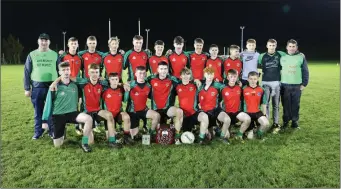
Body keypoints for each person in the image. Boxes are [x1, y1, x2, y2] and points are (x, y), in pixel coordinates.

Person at [51, 63, 123, 148]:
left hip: (97, 110)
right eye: (92, 72)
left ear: (99, 73)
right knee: (90, 142)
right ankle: (83, 135)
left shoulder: (103, 82)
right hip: (86, 112)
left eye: (96, 72)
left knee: (109, 116)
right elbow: (66, 76)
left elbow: (114, 83)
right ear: (88, 73)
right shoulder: (83, 82)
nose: (94, 74)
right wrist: (55, 82)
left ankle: (112, 141)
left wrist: (123, 84)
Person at [42, 62, 93, 152]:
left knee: (88, 119)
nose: (66, 72)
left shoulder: (75, 84)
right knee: (58, 145)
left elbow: (86, 81)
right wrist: (44, 120)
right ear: (59, 72)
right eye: (63, 70)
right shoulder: (54, 87)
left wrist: (71, 79)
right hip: (58, 115)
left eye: (67, 70)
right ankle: (62, 131)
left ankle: (84, 143)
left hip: (72, 113)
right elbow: (48, 103)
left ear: (70, 71)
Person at [24, 33, 58, 139]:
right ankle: (38, 131)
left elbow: (60, 70)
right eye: (42, 40)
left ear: (49, 42)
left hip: (52, 87)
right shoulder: (32, 54)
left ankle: (52, 131)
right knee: (38, 111)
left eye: (46, 40)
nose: (44, 42)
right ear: (38, 41)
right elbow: (26, 71)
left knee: (52, 110)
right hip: (37, 87)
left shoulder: (54, 54)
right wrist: (27, 88)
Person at [146, 61, 185, 144]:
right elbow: (140, 83)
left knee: (180, 112)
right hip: (156, 109)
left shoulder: (173, 79)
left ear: (167, 70)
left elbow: (184, 83)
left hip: (168, 109)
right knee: (159, 130)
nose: (163, 71)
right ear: (157, 70)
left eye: (165, 69)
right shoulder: (151, 79)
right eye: (161, 69)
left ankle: (177, 137)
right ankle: (150, 134)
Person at [124, 66, 161, 141]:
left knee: (156, 115)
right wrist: (124, 86)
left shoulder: (148, 86)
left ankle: (151, 134)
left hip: (143, 110)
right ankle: (132, 131)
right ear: (136, 74)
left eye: (144, 73)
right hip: (132, 112)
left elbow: (153, 97)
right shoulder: (130, 84)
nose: (142, 75)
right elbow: (124, 99)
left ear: (145, 75)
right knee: (134, 136)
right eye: (140, 73)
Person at [258, 39, 287, 131]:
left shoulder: (280, 54)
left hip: (276, 83)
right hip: (265, 83)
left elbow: (290, 56)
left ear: (276, 46)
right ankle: (266, 122)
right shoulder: (262, 56)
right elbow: (258, 67)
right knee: (265, 104)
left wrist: (300, 54)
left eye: (273, 45)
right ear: (267, 46)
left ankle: (275, 123)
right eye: (270, 45)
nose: (271, 47)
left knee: (276, 104)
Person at [280, 39, 309, 130]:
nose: (291, 48)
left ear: (296, 47)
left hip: (297, 85)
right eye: (290, 46)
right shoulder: (282, 57)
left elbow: (305, 71)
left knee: (295, 104)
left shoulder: (301, 57)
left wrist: (304, 84)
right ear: (287, 47)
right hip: (284, 85)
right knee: (286, 104)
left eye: (293, 46)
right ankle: (285, 121)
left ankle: (294, 121)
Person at [57, 37, 83, 135]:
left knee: (78, 102)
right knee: (64, 103)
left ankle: (77, 125)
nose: (73, 45)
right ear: (68, 45)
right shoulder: (63, 56)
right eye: (71, 43)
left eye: (75, 43)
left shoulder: (80, 58)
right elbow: (59, 70)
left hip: (76, 84)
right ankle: (63, 125)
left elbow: (83, 70)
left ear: (77, 45)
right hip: (65, 84)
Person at [176, 68, 209, 144]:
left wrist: (197, 80)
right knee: (186, 131)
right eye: (184, 74)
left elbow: (206, 83)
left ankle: (201, 138)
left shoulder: (195, 85)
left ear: (190, 75)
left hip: (194, 113)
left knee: (204, 116)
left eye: (188, 74)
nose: (185, 76)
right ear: (180, 76)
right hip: (184, 115)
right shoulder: (177, 86)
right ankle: (177, 137)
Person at [102, 72, 135, 145]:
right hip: (109, 115)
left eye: (116, 79)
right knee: (110, 137)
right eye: (112, 79)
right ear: (109, 80)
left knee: (126, 117)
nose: (114, 81)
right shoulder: (105, 91)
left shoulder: (121, 90)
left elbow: (125, 100)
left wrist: (127, 91)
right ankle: (112, 135)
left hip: (118, 113)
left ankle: (126, 137)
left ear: (118, 80)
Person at [220, 69, 251, 142]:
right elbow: (218, 102)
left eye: (235, 77)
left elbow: (243, 101)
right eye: (231, 76)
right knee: (227, 136)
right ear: (227, 77)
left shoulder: (239, 88)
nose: (233, 78)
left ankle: (239, 135)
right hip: (226, 113)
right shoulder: (223, 88)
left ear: (237, 77)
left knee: (247, 119)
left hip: (236, 113)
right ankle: (221, 128)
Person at [198, 67, 227, 144]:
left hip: (215, 111)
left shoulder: (217, 85)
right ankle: (210, 130)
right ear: (204, 75)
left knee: (227, 120)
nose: (210, 76)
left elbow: (227, 89)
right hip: (205, 112)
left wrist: (221, 102)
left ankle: (222, 136)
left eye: (211, 74)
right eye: (208, 74)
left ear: (214, 75)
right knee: (210, 136)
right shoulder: (200, 86)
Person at [242, 71, 270, 140]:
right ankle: (249, 130)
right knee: (250, 138)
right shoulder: (243, 89)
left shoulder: (261, 89)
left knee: (266, 123)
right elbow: (240, 102)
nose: (253, 81)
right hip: (247, 113)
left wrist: (264, 114)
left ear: (257, 79)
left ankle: (259, 133)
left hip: (257, 112)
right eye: (251, 79)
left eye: (255, 79)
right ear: (248, 79)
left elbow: (264, 103)